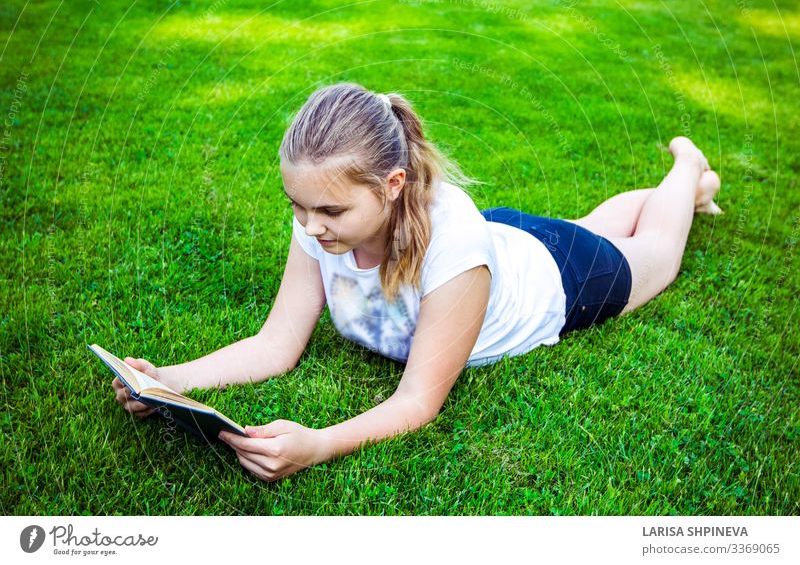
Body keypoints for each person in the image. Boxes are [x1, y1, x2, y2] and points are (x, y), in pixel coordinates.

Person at [112, 83, 722, 482]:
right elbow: (276, 345)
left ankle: (687, 168)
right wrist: (167, 380)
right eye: (298, 207)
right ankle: (687, 190)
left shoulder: (452, 246)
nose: (311, 227)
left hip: (555, 276)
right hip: (506, 242)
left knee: (654, 253)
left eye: (330, 213)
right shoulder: (322, 217)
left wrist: (319, 443)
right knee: (590, 225)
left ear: (394, 185)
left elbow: (418, 402)